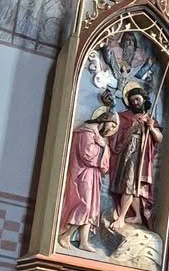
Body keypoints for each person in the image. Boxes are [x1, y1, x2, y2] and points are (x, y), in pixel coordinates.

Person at [59, 111, 116, 252]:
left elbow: (104, 162)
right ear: (104, 121)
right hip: (84, 173)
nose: (110, 129)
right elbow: (87, 155)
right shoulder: (86, 132)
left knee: (92, 208)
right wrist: (102, 147)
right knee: (84, 205)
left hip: (93, 174)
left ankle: (83, 241)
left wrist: (104, 147)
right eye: (111, 125)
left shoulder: (96, 135)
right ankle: (66, 235)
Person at [110, 83, 163, 231]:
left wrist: (151, 128)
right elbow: (114, 130)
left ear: (144, 99)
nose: (135, 102)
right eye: (132, 100)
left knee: (130, 184)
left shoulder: (149, 119)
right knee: (132, 185)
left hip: (139, 156)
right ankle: (138, 216)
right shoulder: (125, 117)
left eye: (137, 99)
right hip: (126, 154)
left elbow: (159, 138)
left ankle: (121, 218)